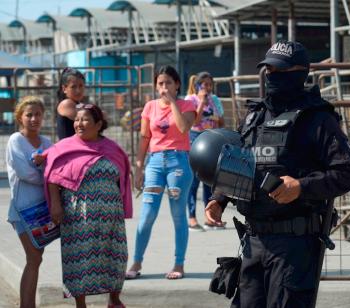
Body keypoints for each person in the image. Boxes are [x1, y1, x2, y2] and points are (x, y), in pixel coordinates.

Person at [204, 40, 350, 307]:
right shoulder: (254, 117)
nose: (272, 75)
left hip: (294, 245)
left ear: (300, 72)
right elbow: (239, 164)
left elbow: (346, 172)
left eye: (279, 70)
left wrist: (300, 186)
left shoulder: (317, 119)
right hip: (253, 241)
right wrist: (219, 200)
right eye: (268, 70)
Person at [44, 103, 132, 308]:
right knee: (79, 258)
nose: (78, 124)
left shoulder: (112, 148)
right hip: (78, 215)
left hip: (111, 216)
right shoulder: (64, 147)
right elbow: (52, 177)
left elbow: (122, 178)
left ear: (98, 124)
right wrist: (55, 205)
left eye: (84, 120)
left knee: (115, 255)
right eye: (76, 119)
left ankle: (114, 298)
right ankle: (80, 304)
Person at [126, 65, 196, 280]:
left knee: (178, 215)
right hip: (155, 162)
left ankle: (179, 264)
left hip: (179, 163)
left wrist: (172, 102)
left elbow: (184, 128)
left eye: (168, 83)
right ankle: (136, 262)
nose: (163, 87)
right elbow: (145, 138)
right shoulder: (149, 107)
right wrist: (139, 167)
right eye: (160, 83)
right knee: (147, 215)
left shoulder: (188, 105)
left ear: (177, 85)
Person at [6, 96, 52, 308]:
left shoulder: (47, 142)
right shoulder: (15, 140)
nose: (34, 118)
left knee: (35, 259)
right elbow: (25, 173)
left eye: (38, 114)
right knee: (33, 258)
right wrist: (45, 176)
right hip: (22, 210)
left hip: (43, 210)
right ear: (20, 117)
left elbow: (56, 170)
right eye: (29, 115)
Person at [185, 71, 225, 231]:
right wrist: (201, 102)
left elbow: (221, 121)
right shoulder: (191, 100)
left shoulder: (215, 100)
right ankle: (192, 218)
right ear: (198, 85)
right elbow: (194, 120)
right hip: (195, 140)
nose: (208, 88)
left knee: (210, 180)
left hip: (212, 140)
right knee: (194, 182)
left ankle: (210, 217)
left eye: (210, 84)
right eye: (205, 84)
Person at [56, 67, 86, 140]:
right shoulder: (66, 103)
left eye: (81, 86)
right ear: (64, 89)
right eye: (73, 87)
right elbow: (90, 120)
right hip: (69, 149)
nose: (78, 90)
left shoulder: (78, 104)